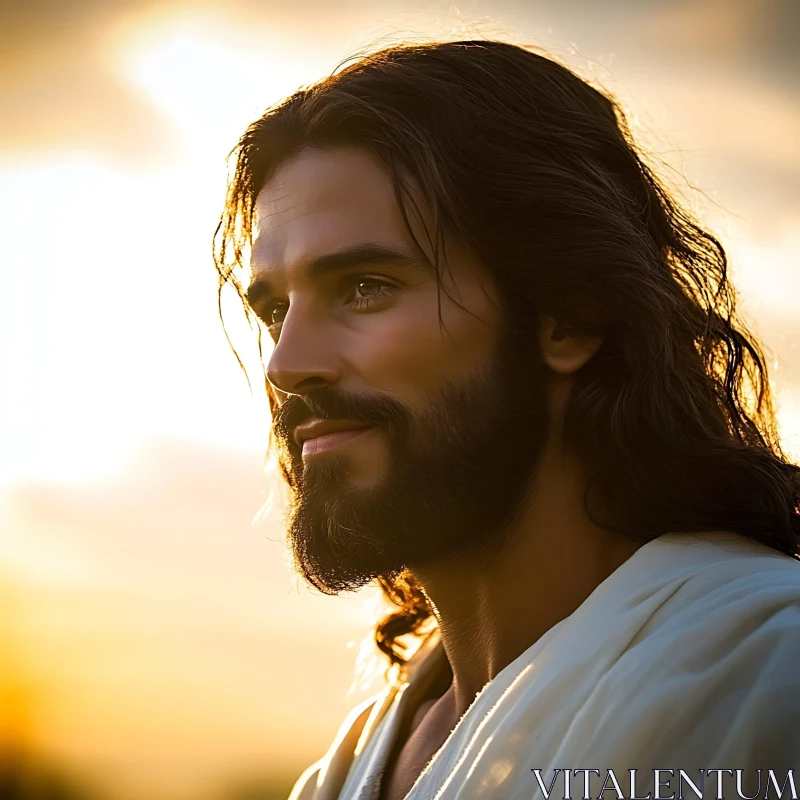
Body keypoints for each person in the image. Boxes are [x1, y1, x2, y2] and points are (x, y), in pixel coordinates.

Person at [213, 40, 800, 800]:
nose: (287, 365)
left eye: (364, 286)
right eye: (275, 309)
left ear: (569, 316)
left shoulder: (763, 673)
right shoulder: (351, 765)